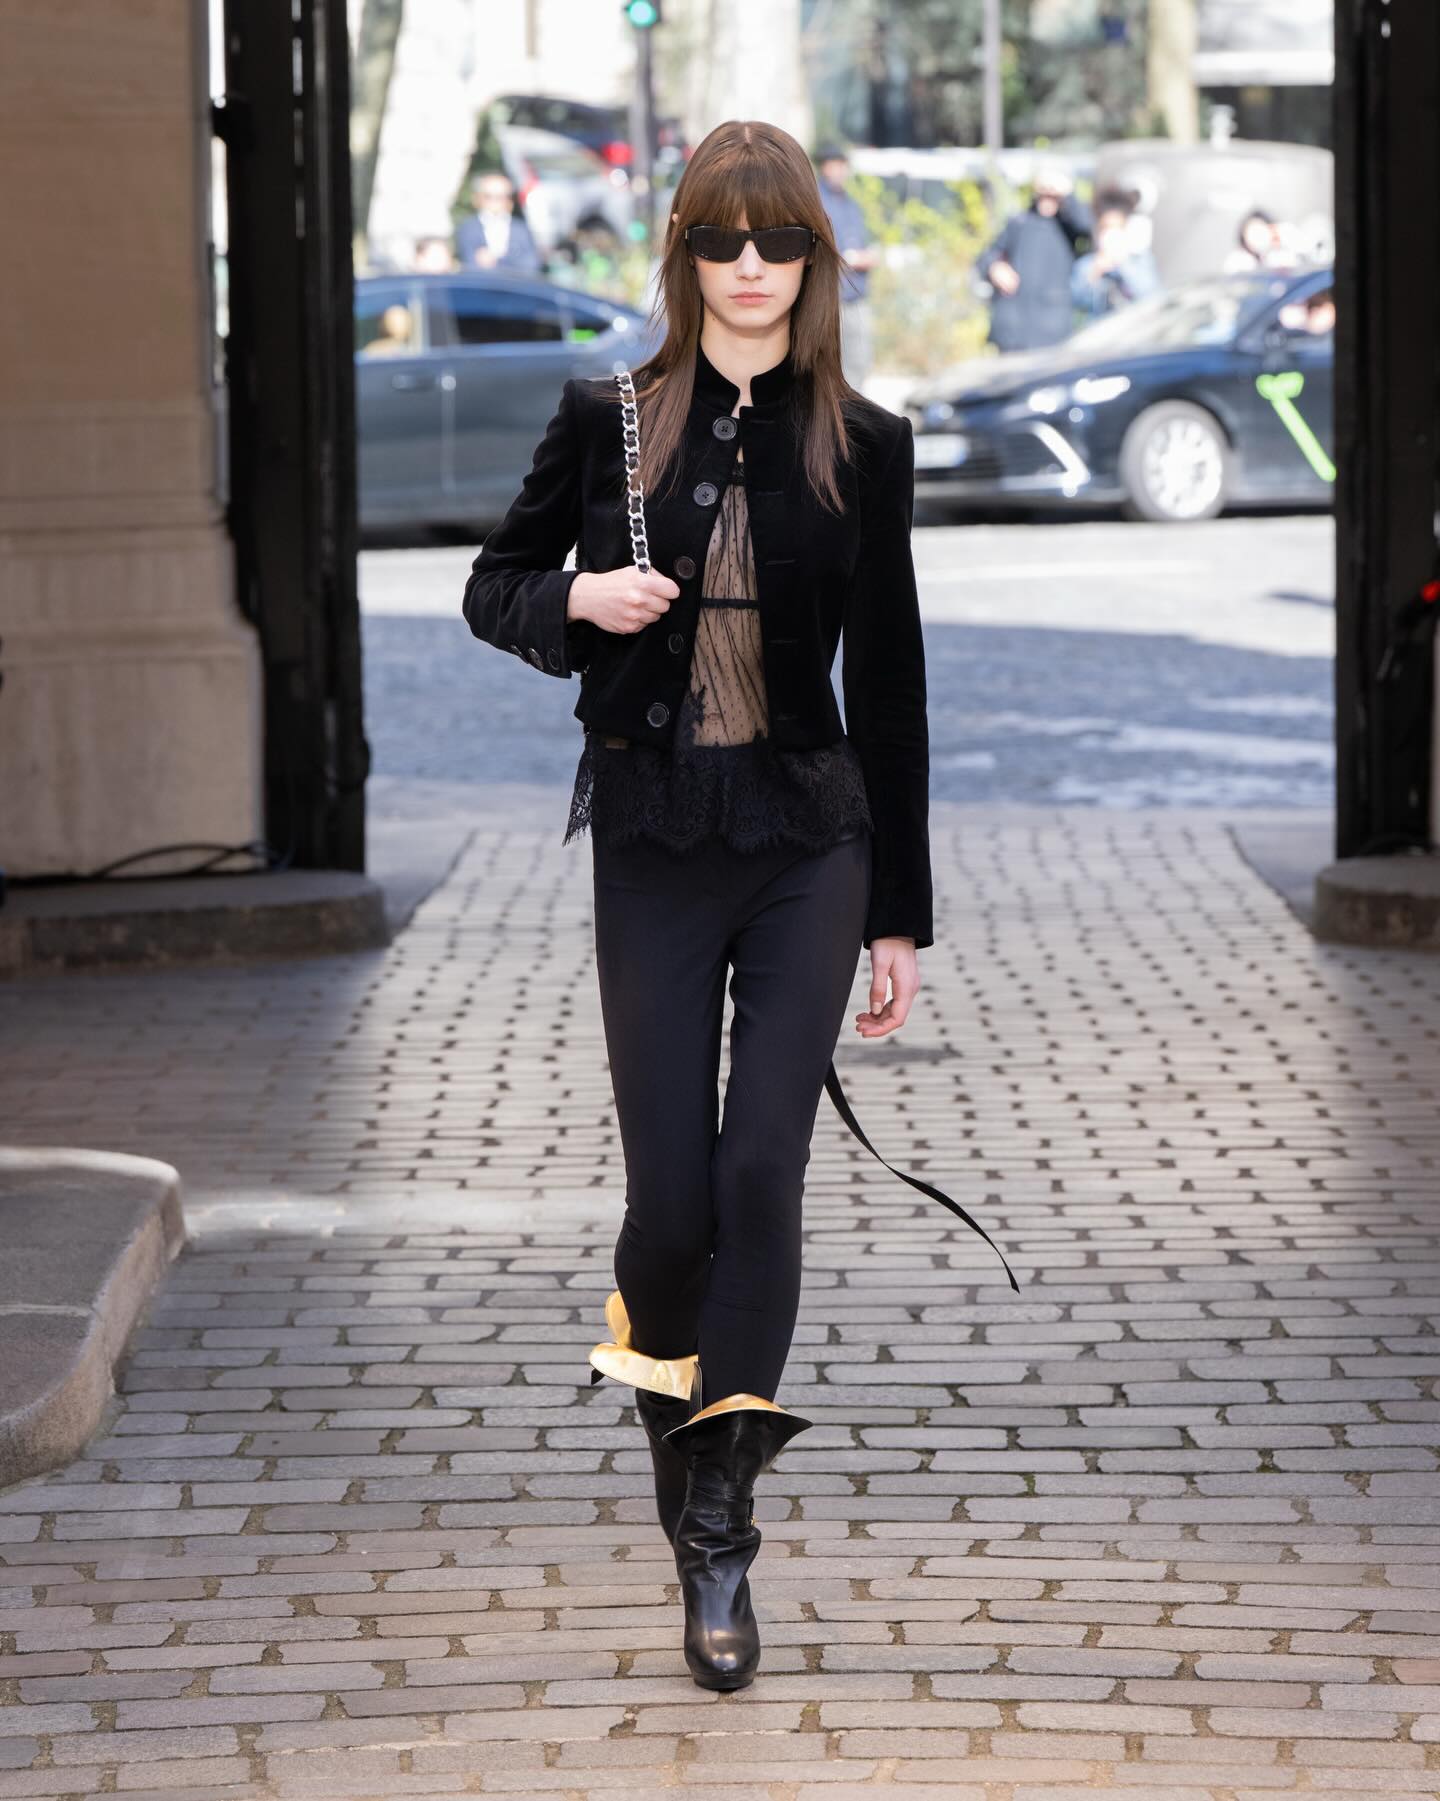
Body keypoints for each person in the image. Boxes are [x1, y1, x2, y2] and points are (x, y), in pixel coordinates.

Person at [462, 118, 1010, 1694]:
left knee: (762, 1163)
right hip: (651, 836)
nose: (751, 266)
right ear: (686, 253)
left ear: (814, 261)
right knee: (673, 1202)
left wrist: (898, 914)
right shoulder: (609, 418)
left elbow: (891, 684)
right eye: (723, 239)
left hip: (806, 842)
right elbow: (493, 587)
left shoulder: (866, 439)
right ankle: (675, 1409)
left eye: (779, 242)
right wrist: (578, 597)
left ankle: (719, 1523)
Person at [976, 164, 1093, 351]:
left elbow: (1088, 226)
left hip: (1051, 330)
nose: (1047, 199)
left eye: (1053, 195)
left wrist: (1067, 192)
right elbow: (987, 255)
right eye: (1043, 193)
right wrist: (995, 267)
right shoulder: (1020, 222)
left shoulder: (1068, 225)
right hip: (1014, 327)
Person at [814, 143, 880, 388]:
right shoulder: (817, 202)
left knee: (859, 362)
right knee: (830, 365)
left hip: (855, 296)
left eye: (842, 165)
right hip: (830, 297)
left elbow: (867, 242)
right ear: (825, 167)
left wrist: (868, 256)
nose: (840, 171)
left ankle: (852, 410)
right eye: (835, 165)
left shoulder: (851, 204)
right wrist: (849, 258)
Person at [1070, 189, 1162, 318]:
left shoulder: (1140, 259)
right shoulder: (1087, 265)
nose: (1111, 233)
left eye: (1117, 227)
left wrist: (1123, 264)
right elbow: (1076, 299)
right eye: (1106, 228)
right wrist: (1095, 272)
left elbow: (1153, 296)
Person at [455, 171, 542, 274]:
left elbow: (531, 265)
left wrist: (497, 262)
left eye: (500, 197)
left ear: (510, 200)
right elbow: (470, 264)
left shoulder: (521, 229)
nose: (494, 202)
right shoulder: (468, 228)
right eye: (488, 196)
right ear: (478, 198)